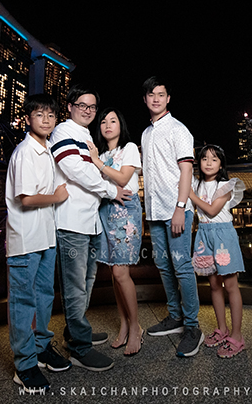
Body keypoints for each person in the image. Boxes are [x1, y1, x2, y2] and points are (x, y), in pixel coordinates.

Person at [50, 85, 132, 372]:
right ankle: (79, 348)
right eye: (82, 105)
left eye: (92, 107)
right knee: (74, 288)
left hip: (90, 220)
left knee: (85, 284)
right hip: (71, 221)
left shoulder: (85, 136)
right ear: (70, 106)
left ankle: (75, 333)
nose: (87, 110)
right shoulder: (63, 131)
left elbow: (93, 168)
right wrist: (112, 191)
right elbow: (77, 170)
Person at [5, 94, 71, 394]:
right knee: (23, 302)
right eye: (39, 115)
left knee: (45, 295)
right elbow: (28, 197)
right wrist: (57, 198)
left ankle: (42, 347)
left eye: (51, 115)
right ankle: (24, 363)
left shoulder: (47, 152)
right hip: (24, 238)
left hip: (46, 235)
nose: (46, 120)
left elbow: (60, 185)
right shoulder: (25, 152)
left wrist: (58, 193)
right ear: (28, 119)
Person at [140, 76, 204, 357]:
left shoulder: (179, 130)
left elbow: (187, 171)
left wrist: (180, 207)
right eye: (151, 94)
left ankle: (192, 327)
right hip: (154, 211)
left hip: (175, 210)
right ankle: (175, 317)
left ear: (168, 99)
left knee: (182, 267)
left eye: (161, 94)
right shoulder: (146, 133)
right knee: (164, 266)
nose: (156, 98)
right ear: (145, 99)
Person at [87, 108, 144, 356]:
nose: (108, 125)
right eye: (103, 121)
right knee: (113, 270)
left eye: (113, 121)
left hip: (126, 209)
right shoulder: (104, 153)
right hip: (106, 209)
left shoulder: (129, 147)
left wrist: (97, 162)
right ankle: (124, 324)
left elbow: (123, 178)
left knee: (121, 271)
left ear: (120, 124)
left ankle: (136, 328)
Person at [189, 144, 247, 358]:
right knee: (213, 284)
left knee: (231, 285)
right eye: (204, 158)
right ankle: (222, 329)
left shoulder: (226, 185)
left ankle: (237, 336)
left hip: (223, 235)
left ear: (221, 163)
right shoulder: (196, 184)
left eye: (214, 159)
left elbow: (212, 210)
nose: (209, 163)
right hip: (204, 235)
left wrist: (190, 195)